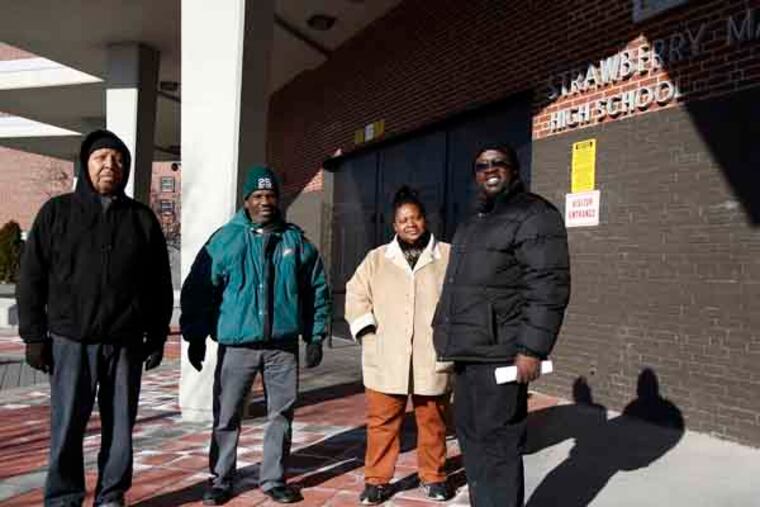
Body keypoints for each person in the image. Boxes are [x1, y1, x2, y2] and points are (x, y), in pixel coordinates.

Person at [16, 129, 174, 507]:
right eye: (101, 158)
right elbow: (31, 277)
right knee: (67, 425)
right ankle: (63, 497)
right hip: (71, 341)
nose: (110, 166)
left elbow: (158, 283)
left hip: (124, 344)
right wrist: (34, 336)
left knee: (120, 427)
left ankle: (111, 494)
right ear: (86, 164)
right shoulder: (57, 213)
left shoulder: (141, 219)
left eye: (118, 160)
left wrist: (156, 334)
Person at [180, 166, 331, 505]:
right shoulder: (225, 240)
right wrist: (194, 336)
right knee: (227, 415)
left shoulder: (294, 241)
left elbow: (316, 289)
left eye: (271, 196)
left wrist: (316, 335)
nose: (265, 202)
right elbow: (199, 290)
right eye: (258, 196)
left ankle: (274, 479)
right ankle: (221, 479)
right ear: (246, 201)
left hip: (282, 348)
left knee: (281, 414)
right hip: (238, 347)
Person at [432, 144, 571, 507]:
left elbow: (548, 286)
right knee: (473, 441)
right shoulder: (475, 219)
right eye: (481, 165)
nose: (489, 170)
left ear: (513, 169)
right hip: (469, 353)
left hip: (502, 354)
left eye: (498, 163)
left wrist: (531, 350)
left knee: (498, 447)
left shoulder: (534, 214)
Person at [345, 186, 454, 505]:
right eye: (403, 219)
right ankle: (377, 480)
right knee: (382, 423)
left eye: (415, 217)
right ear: (394, 225)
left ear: (425, 220)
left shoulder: (447, 254)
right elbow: (355, 293)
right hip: (386, 354)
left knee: (433, 421)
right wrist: (367, 332)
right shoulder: (376, 259)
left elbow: (462, 298)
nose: (410, 224)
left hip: (431, 353)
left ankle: (434, 476)